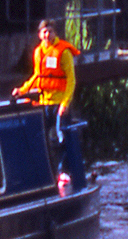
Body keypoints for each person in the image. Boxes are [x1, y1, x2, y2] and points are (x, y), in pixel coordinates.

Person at [14, 19, 85, 186]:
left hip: (59, 103)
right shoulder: (38, 52)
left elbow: (71, 80)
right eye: (44, 32)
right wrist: (22, 90)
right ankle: (49, 172)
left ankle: (64, 172)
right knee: (44, 138)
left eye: (50, 32)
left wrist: (65, 104)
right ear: (39, 35)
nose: (47, 35)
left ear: (55, 33)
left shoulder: (64, 52)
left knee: (60, 138)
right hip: (44, 102)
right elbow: (37, 77)